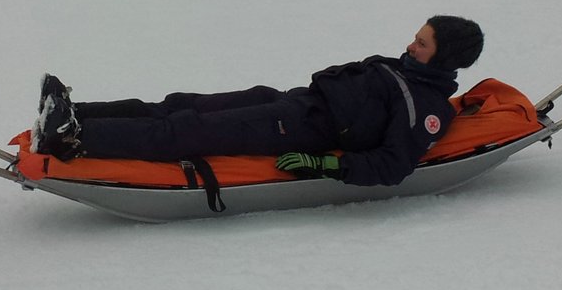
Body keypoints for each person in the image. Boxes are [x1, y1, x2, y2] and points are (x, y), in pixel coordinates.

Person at [32, 16, 485, 187]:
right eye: (416, 35)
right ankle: (78, 112)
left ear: (442, 55)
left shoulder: (427, 108)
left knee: (188, 131)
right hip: (291, 102)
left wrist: (325, 165)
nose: (411, 43)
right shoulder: (403, 68)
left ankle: (77, 137)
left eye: (422, 43)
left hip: (301, 130)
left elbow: (393, 165)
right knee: (179, 103)